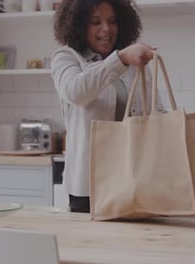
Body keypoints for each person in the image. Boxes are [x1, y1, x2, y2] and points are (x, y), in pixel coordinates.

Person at [51, 0, 163, 213]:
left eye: (112, 21)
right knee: (91, 245)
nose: (106, 29)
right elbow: (76, 92)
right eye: (95, 22)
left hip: (135, 178)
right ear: (79, 24)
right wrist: (119, 59)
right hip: (90, 184)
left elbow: (155, 111)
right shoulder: (66, 57)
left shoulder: (134, 63)